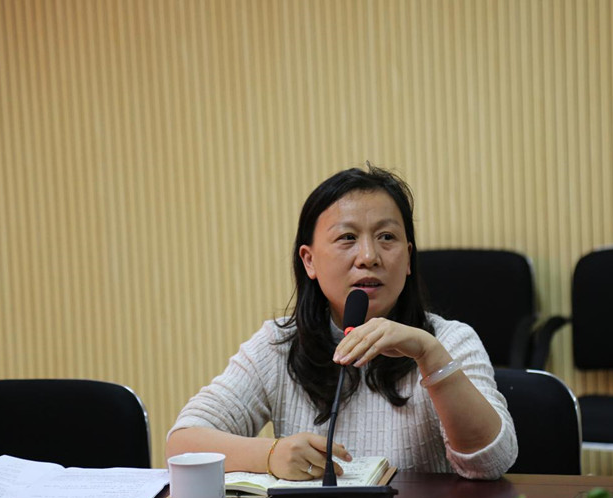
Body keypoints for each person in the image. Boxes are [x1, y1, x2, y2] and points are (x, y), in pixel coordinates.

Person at [166, 165, 517, 480]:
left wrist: (430, 355)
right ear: (309, 261)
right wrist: (270, 455)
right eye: (347, 238)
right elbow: (182, 444)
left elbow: (492, 463)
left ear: (408, 258)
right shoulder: (279, 345)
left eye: (387, 237)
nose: (369, 257)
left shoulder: (450, 340)